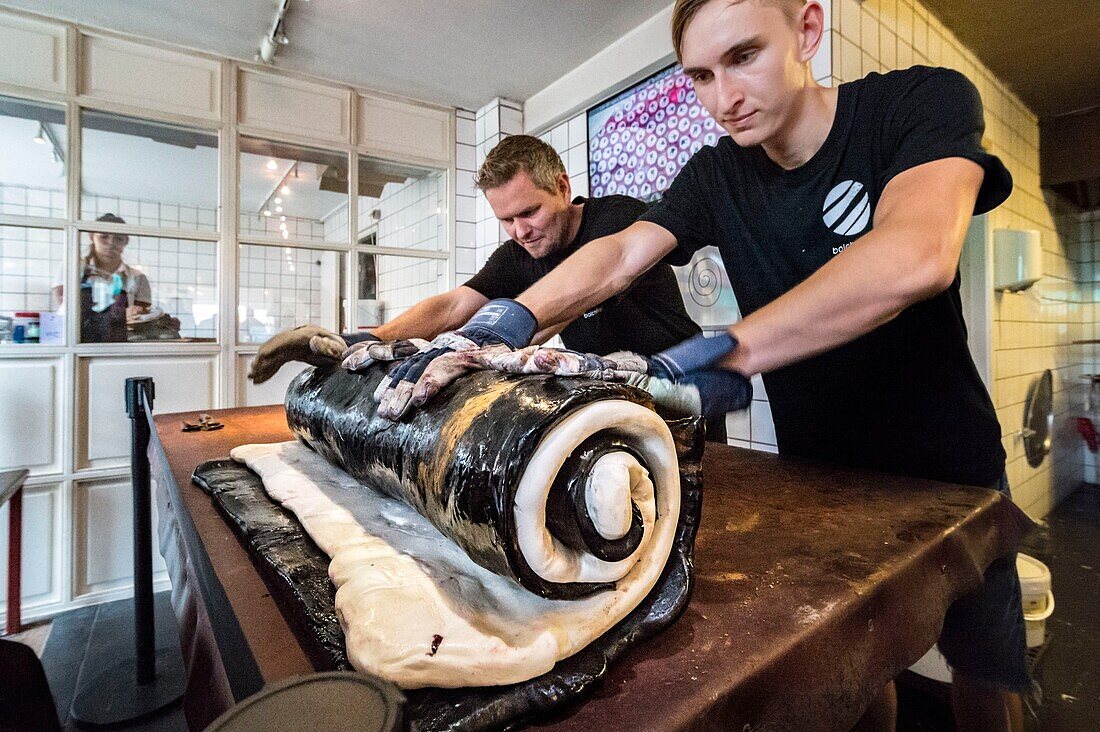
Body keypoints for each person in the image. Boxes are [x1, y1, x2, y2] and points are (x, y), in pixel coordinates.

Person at [387, 1, 1027, 728]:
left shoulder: (915, 104)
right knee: (862, 662)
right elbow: (625, 250)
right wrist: (510, 319)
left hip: (951, 470)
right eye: (700, 75)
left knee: (984, 671)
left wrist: (723, 351)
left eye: (744, 57)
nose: (723, 97)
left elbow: (916, 256)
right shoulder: (719, 174)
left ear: (807, 32)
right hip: (823, 471)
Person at [250, 135, 722, 435]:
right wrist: (366, 340)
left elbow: (602, 274)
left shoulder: (615, 218)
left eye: (529, 212)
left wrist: (491, 335)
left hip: (679, 387)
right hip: (612, 398)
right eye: (506, 220)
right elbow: (454, 305)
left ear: (561, 186)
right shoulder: (519, 256)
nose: (521, 230)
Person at [52, 213, 153, 343]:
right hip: (77, 343)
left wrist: (133, 314)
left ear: (126, 241)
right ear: (91, 236)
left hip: (118, 345)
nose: (111, 243)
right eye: (104, 237)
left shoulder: (138, 278)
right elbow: (65, 306)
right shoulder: (72, 268)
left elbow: (142, 317)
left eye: (118, 238)